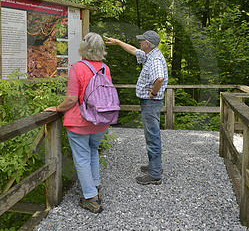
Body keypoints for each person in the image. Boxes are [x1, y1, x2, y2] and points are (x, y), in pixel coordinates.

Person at [44, 32, 111, 214]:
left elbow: (72, 99)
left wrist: (57, 109)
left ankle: (91, 198)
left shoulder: (77, 67)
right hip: (101, 120)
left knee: (81, 158)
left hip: (80, 121)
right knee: (93, 152)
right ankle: (95, 187)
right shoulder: (105, 68)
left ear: (83, 48)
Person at [105, 30, 168, 185]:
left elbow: (159, 78)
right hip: (150, 103)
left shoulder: (155, 61)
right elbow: (133, 50)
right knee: (152, 135)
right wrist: (118, 42)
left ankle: (154, 174)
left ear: (148, 43)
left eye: (142, 41)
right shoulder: (150, 55)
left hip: (151, 102)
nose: (139, 43)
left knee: (152, 136)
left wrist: (153, 93)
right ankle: (155, 166)